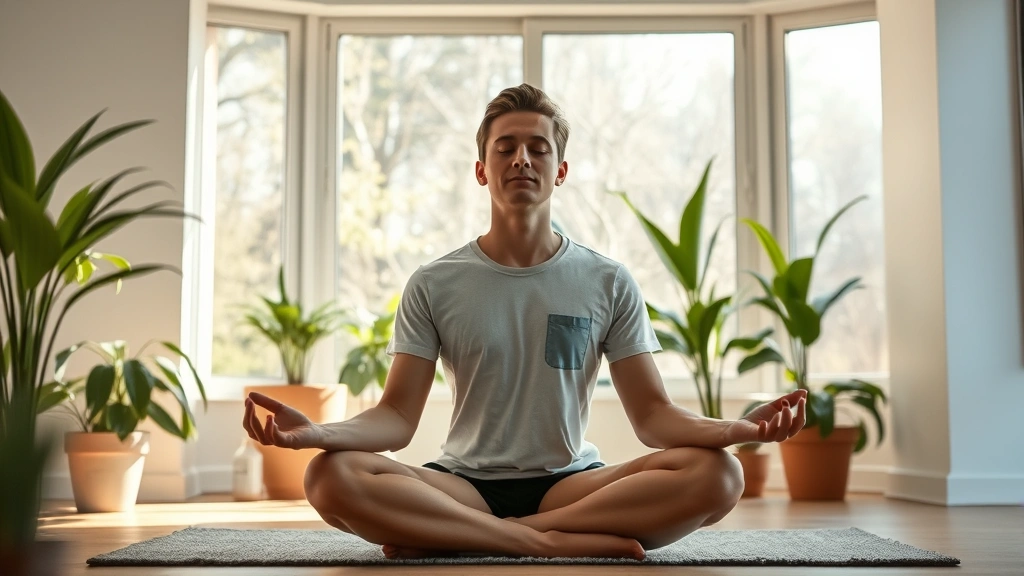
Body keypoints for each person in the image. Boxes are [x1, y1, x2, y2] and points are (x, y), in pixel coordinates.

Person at [242, 83, 807, 561]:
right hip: (461, 486)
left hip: (573, 486)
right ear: (482, 170)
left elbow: (654, 416)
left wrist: (738, 430)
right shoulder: (434, 283)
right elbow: (395, 418)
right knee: (329, 477)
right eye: (506, 147)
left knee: (719, 476)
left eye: (538, 148)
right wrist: (315, 434)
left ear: (559, 170)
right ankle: (552, 545)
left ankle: (462, 539)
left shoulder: (607, 280)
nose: (522, 159)